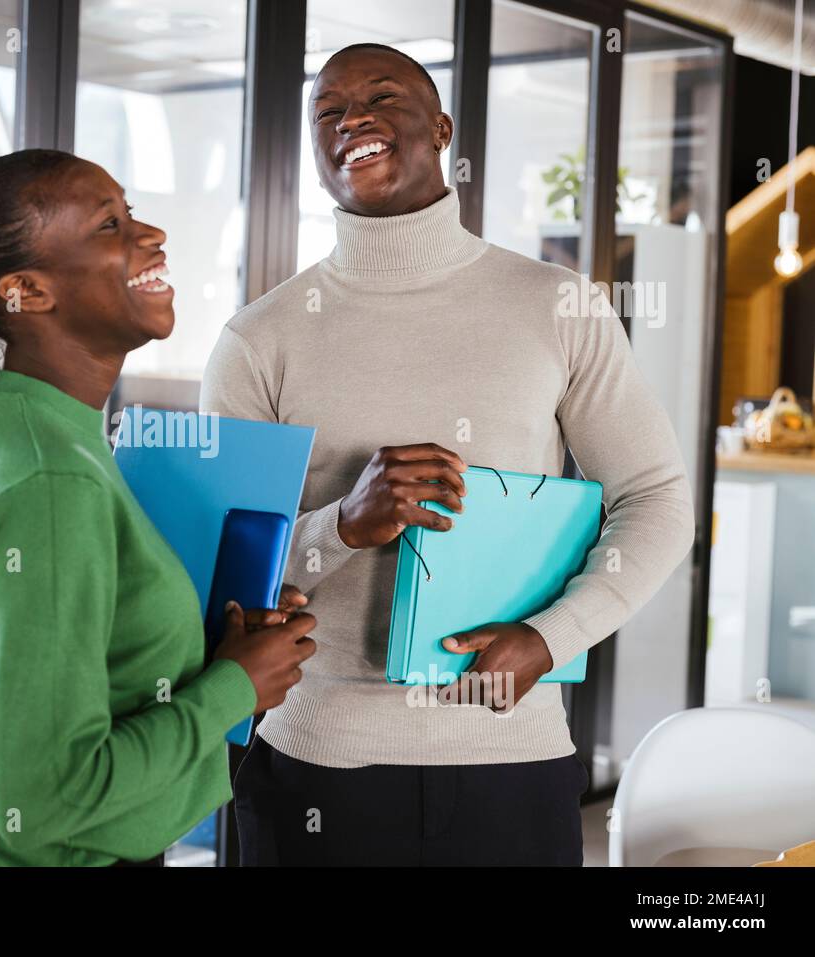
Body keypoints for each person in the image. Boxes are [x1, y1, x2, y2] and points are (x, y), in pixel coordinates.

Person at [201, 44, 695, 866]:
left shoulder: (557, 305)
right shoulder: (259, 338)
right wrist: (342, 526)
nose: (351, 118)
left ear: (441, 128)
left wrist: (550, 638)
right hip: (316, 770)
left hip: (513, 764)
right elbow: (219, 576)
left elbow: (657, 498)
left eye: (380, 97)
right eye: (328, 111)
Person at [0, 149, 317, 866]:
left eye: (131, 210)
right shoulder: (51, 478)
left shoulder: (43, 427)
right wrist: (235, 686)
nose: (152, 236)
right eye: (110, 225)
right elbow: (46, 800)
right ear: (26, 290)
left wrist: (222, 656)